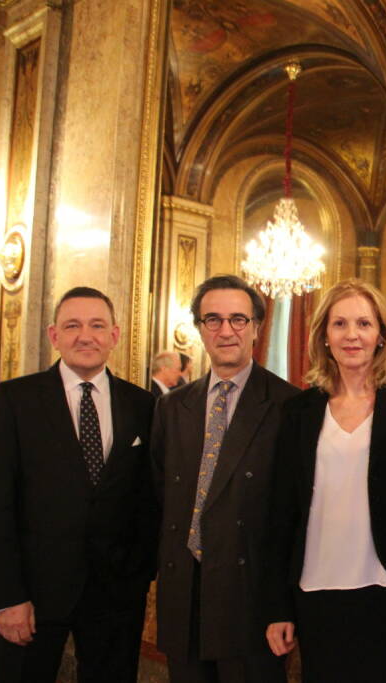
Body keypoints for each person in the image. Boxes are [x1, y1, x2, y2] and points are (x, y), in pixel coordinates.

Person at [0, 286, 157, 683]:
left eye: (96, 325)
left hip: (115, 598)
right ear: (55, 336)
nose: (85, 336)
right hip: (32, 596)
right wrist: (8, 598)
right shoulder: (14, 400)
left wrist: (140, 574)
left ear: (114, 336)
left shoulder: (144, 405)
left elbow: (150, 498)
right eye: (72, 325)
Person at [265, 279, 386, 682]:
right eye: (340, 324)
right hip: (316, 593)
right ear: (324, 336)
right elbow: (280, 515)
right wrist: (277, 607)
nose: (352, 335)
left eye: (364, 323)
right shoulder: (298, 411)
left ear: (382, 334)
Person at [152, 274, 299, 682]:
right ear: (199, 329)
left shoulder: (290, 406)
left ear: (256, 326)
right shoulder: (172, 406)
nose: (226, 330)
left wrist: (282, 605)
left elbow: (294, 516)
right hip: (184, 595)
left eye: (238, 319)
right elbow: (159, 494)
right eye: (212, 319)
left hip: (251, 600)